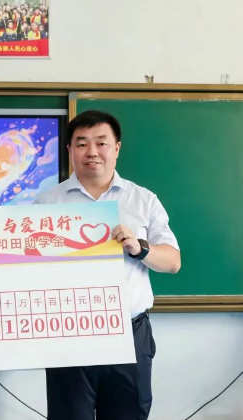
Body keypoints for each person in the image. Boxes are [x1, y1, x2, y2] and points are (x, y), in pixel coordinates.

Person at [34, 110, 181, 420]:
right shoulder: (47, 203)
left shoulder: (143, 200)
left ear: (116, 148)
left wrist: (140, 248)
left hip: (130, 333)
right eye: (82, 143)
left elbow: (172, 262)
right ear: (70, 149)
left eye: (101, 143)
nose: (92, 152)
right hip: (68, 334)